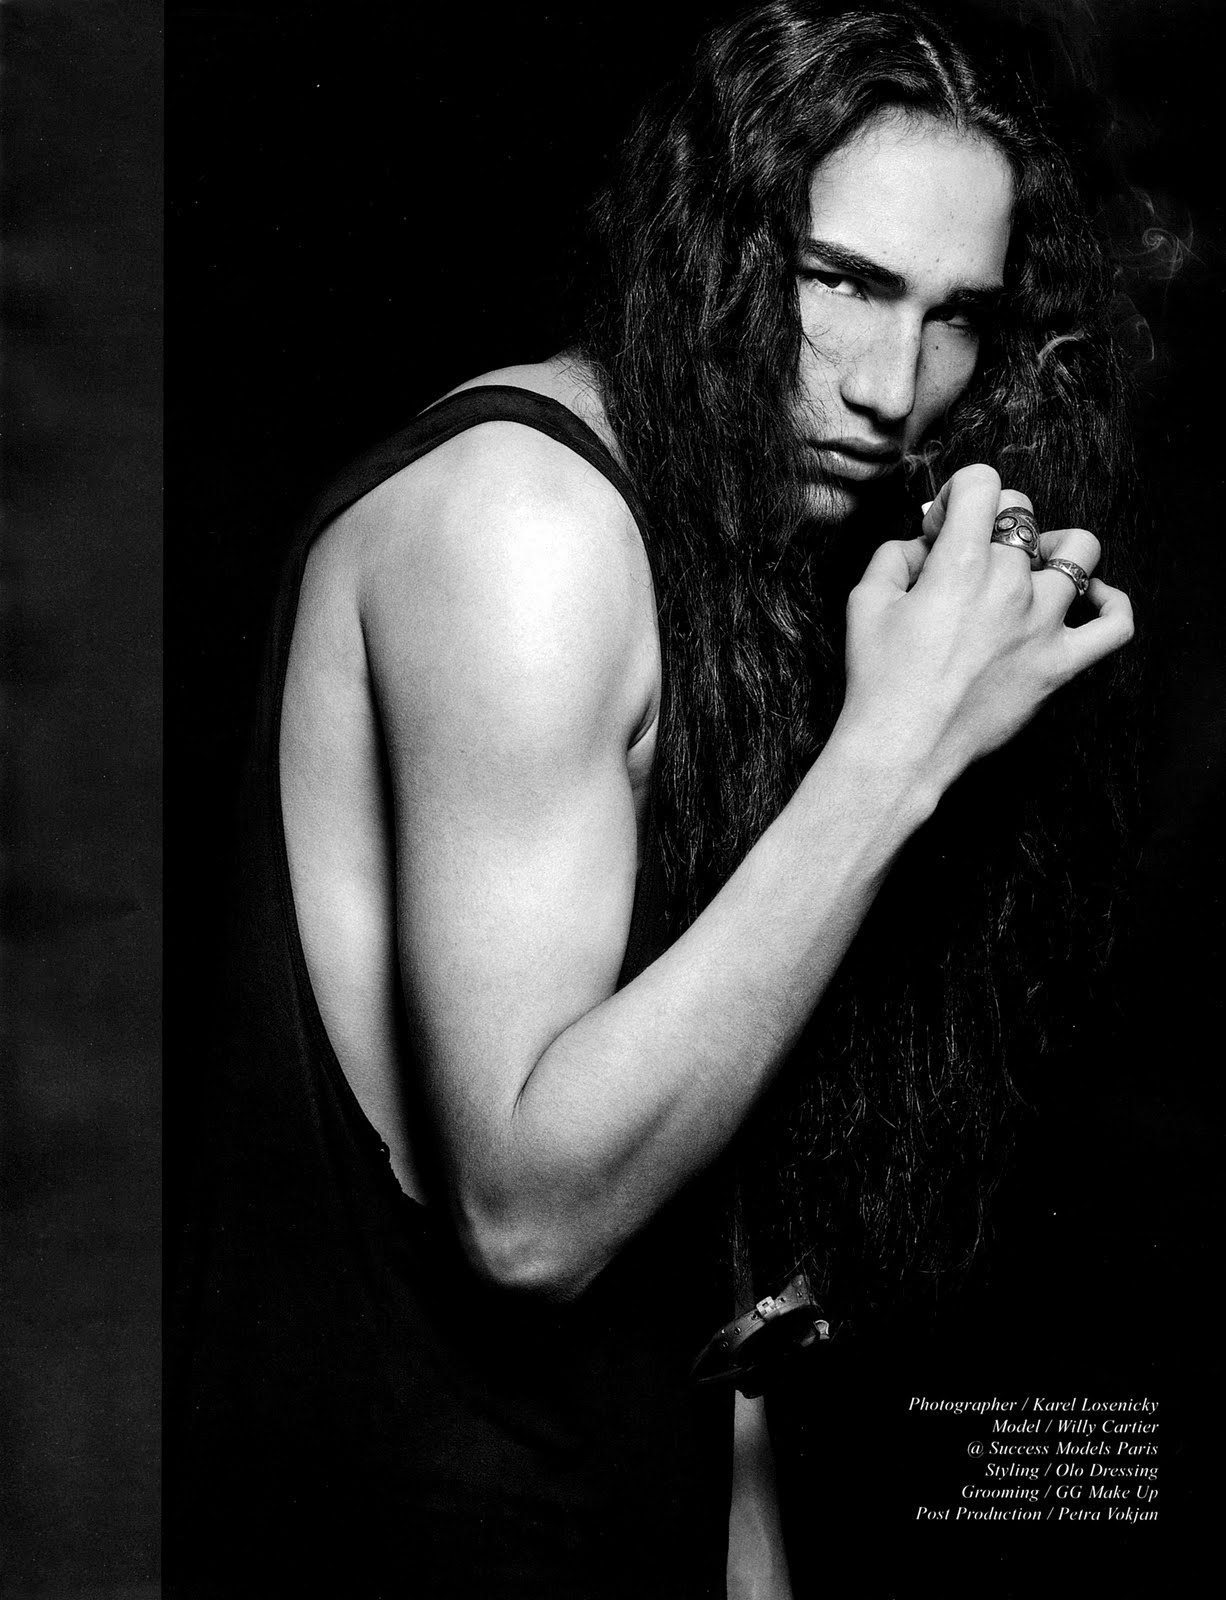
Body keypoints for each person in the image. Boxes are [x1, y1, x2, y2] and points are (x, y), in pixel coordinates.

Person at [166, 3, 1139, 1595]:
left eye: (955, 314)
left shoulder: (722, 544)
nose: (894, 386)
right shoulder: (524, 523)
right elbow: (530, 1218)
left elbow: (699, 1219)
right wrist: (898, 745)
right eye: (840, 281)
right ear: (713, 247)